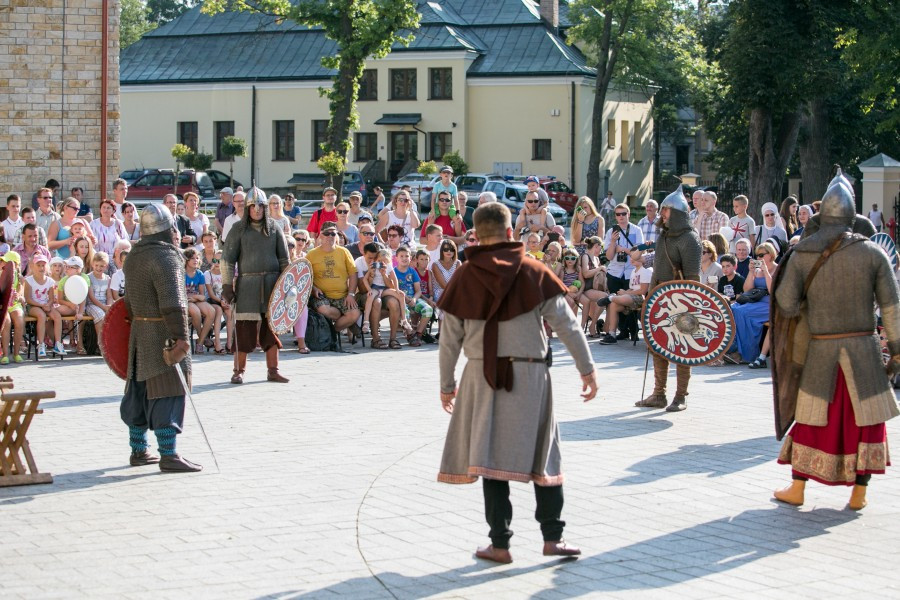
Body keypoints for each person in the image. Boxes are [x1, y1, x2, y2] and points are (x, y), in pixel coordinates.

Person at [436, 201, 598, 564]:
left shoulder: (463, 276)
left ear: (475, 235)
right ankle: (553, 538)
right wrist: (586, 369)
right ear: (511, 233)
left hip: (480, 375)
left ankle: (500, 544)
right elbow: (568, 325)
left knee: (490, 457)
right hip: (531, 375)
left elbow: (449, 341)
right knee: (544, 453)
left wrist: (446, 384)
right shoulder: (533, 271)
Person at [773, 177, 898, 510]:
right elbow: (892, 308)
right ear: (853, 214)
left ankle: (798, 488)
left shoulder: (802, 252)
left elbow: (784, 303)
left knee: (814, 418)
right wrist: (897, 354)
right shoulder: (873, 253)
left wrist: (808, 307)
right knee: (866, 422)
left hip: (821, 349)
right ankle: (860, 494)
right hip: (864, 349)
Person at [119, 204, 201, 472]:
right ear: (166, 228)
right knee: (167, 391)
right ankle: (168, 454)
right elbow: (174, 303)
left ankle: (139, 451)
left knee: (139, 393)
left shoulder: (133, 257)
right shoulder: (167, 257)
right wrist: (181, 337)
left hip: (139, 334)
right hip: (163, 335)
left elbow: (128, 303)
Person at [637, 187, 701, 413]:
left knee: (681, 348)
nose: (662, 215)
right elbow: (657, 271)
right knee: (658, 346)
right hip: (659, 298)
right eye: (662, 210)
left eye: (666, 211)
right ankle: (658, 394)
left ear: (678, 215)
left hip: (681, 301)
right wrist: (651, 296)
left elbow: (693, 279)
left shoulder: (690, 240)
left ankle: (681, 395)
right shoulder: (663, 236)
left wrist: (687, 304)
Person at [222, 187, 290, 384]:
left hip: (272, 284)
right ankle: (238, 371)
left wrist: (286, 285)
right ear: (248, 208)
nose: (257, 209)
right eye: (253, 206)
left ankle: (273, 370)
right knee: (244, 330)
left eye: (261, 205)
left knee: (271, 328)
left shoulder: (275, 228)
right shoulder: (238, 230)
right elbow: (227, 260)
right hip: (248, 286)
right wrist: (227, 286)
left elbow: (284, 259)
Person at [726, 242, 777, 366]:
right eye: (757, 255)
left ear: (770, 255)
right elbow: (747, 289)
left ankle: (748, 353)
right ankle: (735, 348)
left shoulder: (778, 268)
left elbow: (773, 291)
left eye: (761, 255)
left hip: (770, 304)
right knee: (733, 308)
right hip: (755, 302)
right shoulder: (757, 269)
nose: (758, 258)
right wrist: (751, 272)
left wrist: (766, 272)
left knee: (742, 312)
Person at [603, 203, 644, 340]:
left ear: (629, 214)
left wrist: (625, 250)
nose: (621, 217)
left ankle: (633, 331)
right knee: (617, 301)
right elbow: (608, 257)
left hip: (631, 272)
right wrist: (614, 243)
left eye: (623, 214)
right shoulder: (611, 232)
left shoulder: (636, 230)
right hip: (615, 271)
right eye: (618, 214)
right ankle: (622, 330)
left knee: (630, 302)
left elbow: (640, 252)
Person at [597, 249, 652, 345]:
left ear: (642, 258)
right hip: (631, 298)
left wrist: (626, 294)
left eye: (635, 257)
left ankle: (610, 298)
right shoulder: (634, 271)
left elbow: (643, 291)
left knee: (622, 298)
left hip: (642, 299)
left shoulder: (646, 271)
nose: (632, 259)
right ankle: (612, 335)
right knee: (614, 305)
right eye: (631, 256)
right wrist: (625, 292)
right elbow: (632, 289)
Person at [24, 254, 65, 357]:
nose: (41, 268)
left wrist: (48, 304)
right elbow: (28, 299)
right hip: (33, 306)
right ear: (33, 266)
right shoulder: (29, 281)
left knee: (57, 316)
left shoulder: (50, 281)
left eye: (43, 265)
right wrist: (41, 305)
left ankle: (58, 344)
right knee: (41, 316)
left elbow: (51, 298)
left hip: (45, 305)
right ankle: (41, 344)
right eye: (39, 265)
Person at [0, 251, 25, 364]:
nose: (3, 264)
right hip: (2, 306)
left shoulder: (20, 279)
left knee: (19, 320)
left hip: (14, 304)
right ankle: (5, 355)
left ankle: (16, 353)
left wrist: (18, 296)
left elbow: (21, 295)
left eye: (7, 263)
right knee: (7, 322)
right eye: (3, 262)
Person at [85, 252, 112, 342]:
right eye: (96, 265)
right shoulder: (89, 277)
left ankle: (109, 342)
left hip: (104, 304)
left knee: (113, 315)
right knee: (101, 315)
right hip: (91, 305)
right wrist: (104, 307)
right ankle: (101, 343)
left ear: (106, 266)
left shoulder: (107, 279)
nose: (98, 268)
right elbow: (91, 297)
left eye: (101, 266)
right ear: (92, 264)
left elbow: (109, 296)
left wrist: (109, 306)